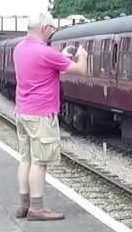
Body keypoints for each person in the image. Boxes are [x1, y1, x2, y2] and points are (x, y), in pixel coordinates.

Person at [13, 12, 88, 220]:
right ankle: (37, 209)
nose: (51, 32)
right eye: (51, 29)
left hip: (22, 111)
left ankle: (24, 205)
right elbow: (79, 70)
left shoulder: (19, 49)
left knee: (26, 159)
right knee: (40, 161)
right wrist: (82, 55)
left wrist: (61, 56)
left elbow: (46, 67)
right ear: (45, 28)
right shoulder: (46, 53)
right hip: (41, 115)